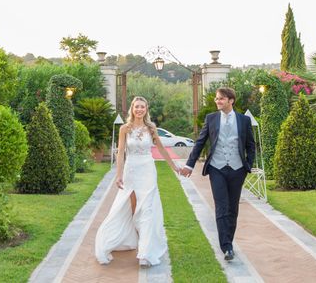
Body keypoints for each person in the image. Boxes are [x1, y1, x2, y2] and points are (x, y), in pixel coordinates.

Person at [95, 96, 180, 267]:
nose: (139, 109)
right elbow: (120, 154)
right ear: (132, 109)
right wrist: (118, 175)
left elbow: (161, 149)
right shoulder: (125, 129)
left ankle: (145, 253)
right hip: (131, 170)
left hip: (148, 170)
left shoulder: (151, 128)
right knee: (132, 209)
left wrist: (174, 166)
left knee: (147, 208)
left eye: (142, 107)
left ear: (146, 109)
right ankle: (126, 239)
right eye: (136, 107)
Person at [180, 87, 256, 261]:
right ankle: (227, 247)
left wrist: (247, 166)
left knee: (233, 208)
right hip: (217, 168)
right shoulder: (211, 118)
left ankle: (228, 240)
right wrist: (189, 165)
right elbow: (200, 142)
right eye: (216, 99)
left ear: (231, 101)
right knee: (221, 206)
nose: (217, 101)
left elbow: (251, 145)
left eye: (221, 99)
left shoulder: (243, 120)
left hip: (237, 169)